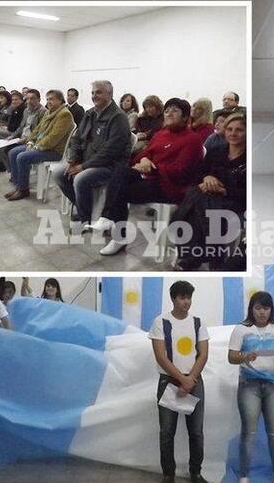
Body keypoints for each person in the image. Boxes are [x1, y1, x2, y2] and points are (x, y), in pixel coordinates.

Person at [91, 98, 205, 257]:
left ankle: (117, 233)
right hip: (151, 178)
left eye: (174, 110)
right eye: (167, 110)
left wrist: (153, 167)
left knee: (119, 190)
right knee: (121, 171)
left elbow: (182, 171)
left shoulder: (192, 139)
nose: (169, 113)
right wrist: (144, 160)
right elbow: (144, 154)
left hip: (170, 186)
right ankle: (109, 220)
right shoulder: (161, 134)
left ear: (185, 117)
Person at [148, 281, 209, 483]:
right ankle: (168, 474)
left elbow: (203, 354)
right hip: (169, 381)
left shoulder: (198, 322)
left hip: (194, 381)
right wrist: (182, 380)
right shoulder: (161, 321)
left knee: (197, 432)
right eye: (182, 298)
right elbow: (161, 356)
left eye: (189, 297)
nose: (186, 302)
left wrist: (190, 379)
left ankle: (195, 472)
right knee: (167, 432)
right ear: (173, 299)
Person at [228, 291, 274, 483]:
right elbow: (231, 357)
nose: (262, 312)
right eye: (258, 308)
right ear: (252, 309)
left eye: (266, 308)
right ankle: (244, 475)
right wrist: (246, 356)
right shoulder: (241, 329)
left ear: (271, 309)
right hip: (249, 386)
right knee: (249, 432)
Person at [171, 112, 247, 270]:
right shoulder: (216, 151)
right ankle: (212, 255)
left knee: (196, 208)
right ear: (224, 131)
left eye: (239, 130)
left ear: (247, 132)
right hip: (208, 197)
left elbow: (247, 193)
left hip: (234, 201)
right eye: (230, 129)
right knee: (201, 200)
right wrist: (206, 178)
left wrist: (223, 189)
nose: (233, 133)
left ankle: (192, 257)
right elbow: (198, 174)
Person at [55, 80, 131, 225]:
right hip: (86, 160)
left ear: (109, 94)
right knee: (59, 174)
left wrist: (83, 166)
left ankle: (85, 218)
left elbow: (111, 151)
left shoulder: (118, 117)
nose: (94, 96)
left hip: (110, 166)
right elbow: (77, 137)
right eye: (93, 93)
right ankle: (82, 205)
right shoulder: (91, 113)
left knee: (80, 179)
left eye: (99, 92)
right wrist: (73, 159)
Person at [4, 90, 74, 201]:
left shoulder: (64, 114)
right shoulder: (50, 112)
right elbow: (38, 130)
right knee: (13, 152)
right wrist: (30, 140)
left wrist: (36, 146)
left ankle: (23, 190)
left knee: (22, 157)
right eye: (47, 99)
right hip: (41, 146)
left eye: (52, 99)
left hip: (54, 151)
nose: (49, 102)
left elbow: (53, 138)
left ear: (60, 100)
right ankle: (18, 185)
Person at [0, 88, 46, 174]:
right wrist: (13, 136)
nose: (29, 101)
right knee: (2, 147)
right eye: (28, 98)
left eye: (32, 98)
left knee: (11, 151)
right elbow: (21, 127)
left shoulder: (43, 112)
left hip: (31, 140)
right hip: (21, 137)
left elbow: (40, 131)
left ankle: (17, 176)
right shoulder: (26, 111)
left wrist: (28, 140)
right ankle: (12, 172)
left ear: (39, 99)